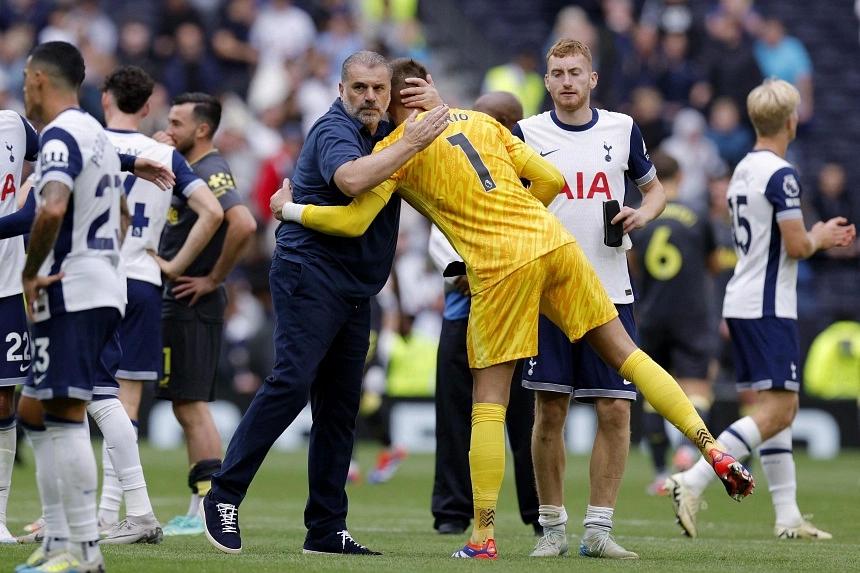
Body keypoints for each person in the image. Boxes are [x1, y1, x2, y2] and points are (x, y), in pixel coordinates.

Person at [272, 57, 754, 561]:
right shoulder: (481, 122)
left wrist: (289, 210)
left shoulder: (396, 151)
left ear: (391, 102)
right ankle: (712, 448)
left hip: (500, 266)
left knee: (489, 400)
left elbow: (351, 223)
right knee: (628, 356)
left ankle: (482, 537)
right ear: (428, 86)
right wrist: (519, 219)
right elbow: (548, 181)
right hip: (554, 242)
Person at [199, 50, 448, 556]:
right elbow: (352, 181)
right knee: (291, 382)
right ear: (341, 91)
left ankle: (326, 528)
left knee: (339, 407)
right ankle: (222, 494)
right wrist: (413, 139)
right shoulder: (334, 131)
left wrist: (428, 115)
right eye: (359, 88)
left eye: (379, 89)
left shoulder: (388, 133)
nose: (370, 98)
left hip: (357, 287)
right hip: (309, 273)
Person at [665, 78, 855, 540]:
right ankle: (693, 479)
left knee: (773, 409)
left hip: (743, 298)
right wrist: (822, 237)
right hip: (769, 304)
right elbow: (796, 244)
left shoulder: (742, 170)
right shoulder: (781, 174)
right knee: (780, 410)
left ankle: (787, 516)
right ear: (791, 120)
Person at [512, 38, 666, 560]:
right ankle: (552, 528)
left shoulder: (622, 129)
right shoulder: (527, 134)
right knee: (549, 410)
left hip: (610, 289)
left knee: (615, 410)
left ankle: (598, 530)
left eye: (576, 72)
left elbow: (656, 190)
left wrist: (644, 213)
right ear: (547, 80)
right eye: (557, 73)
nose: (567, 81)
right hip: (549, 294)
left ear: (592, 78)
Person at [97, 66, 223, 542]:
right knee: (123, 402)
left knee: (80, 397)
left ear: (105, 98)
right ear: (148, 107)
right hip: (145, 281)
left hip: (95, 279)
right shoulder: (163, 151)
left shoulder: (84, 139)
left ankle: (97, 513)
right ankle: (114, 514)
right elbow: (212, 212)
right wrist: (170, 265)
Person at [14, 40, 126, 573]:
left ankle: (83, 550)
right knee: (34, 410)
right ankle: (59, 538)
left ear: (38, 79)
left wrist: (33, 270)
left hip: (71, 289)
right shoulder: (97, 135)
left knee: (63, 413)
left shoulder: (58, 137)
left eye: (24, 80)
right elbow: (122, 211)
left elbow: (52, 207)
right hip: (98, 284)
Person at [428, 91, 540, 537]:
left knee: (523, 419)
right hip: (463, 312)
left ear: (509, 125)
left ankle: (539, 512)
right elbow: (439, 232)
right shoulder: (456, 161)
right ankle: (452, 512)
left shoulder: (523, 171)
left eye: (485, 116)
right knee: (455, 417)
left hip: (514, 312)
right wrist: (463, 267)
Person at [150, 92, 255, 537]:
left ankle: (203, 507)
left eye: (176, 123)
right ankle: (198, 505)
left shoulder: (211, 170)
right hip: (183, 298)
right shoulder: (189, 167)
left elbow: (245, 223)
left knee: (191, 404)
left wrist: (213, 278)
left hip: (194, 297)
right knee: (185, 402)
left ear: (202, 130)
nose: (168, 128)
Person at [629, 151, 719, 494]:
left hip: (651, 313)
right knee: (698, 388)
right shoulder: (698, 214)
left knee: (654, 393)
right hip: (692, 314)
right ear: (680, 176)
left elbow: (634, 264)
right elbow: (713, 264)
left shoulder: (642, 216)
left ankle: (658, 473)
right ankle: (686, 450)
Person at [0, 109, 39, 545]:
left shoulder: (12, 123)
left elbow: (52, 155)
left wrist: (32, 189)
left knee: (3, 401)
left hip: (6, 289)